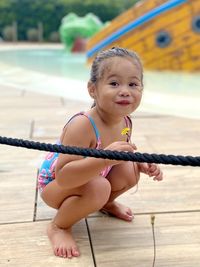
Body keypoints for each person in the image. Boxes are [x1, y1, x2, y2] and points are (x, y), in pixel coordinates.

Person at [38, 47, 163, 259]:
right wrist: (104, 158)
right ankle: (59, 226)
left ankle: (104, 203)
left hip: (94, 175)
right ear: (92, 89)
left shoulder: (125, 121)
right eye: (114, 83)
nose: (125, 91)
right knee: (99, 186)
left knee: (129, 169)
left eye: (133, 84)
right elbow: (65, 176)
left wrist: (140, 163)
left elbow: (124, 147)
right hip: (55, 185)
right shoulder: (82, 124)